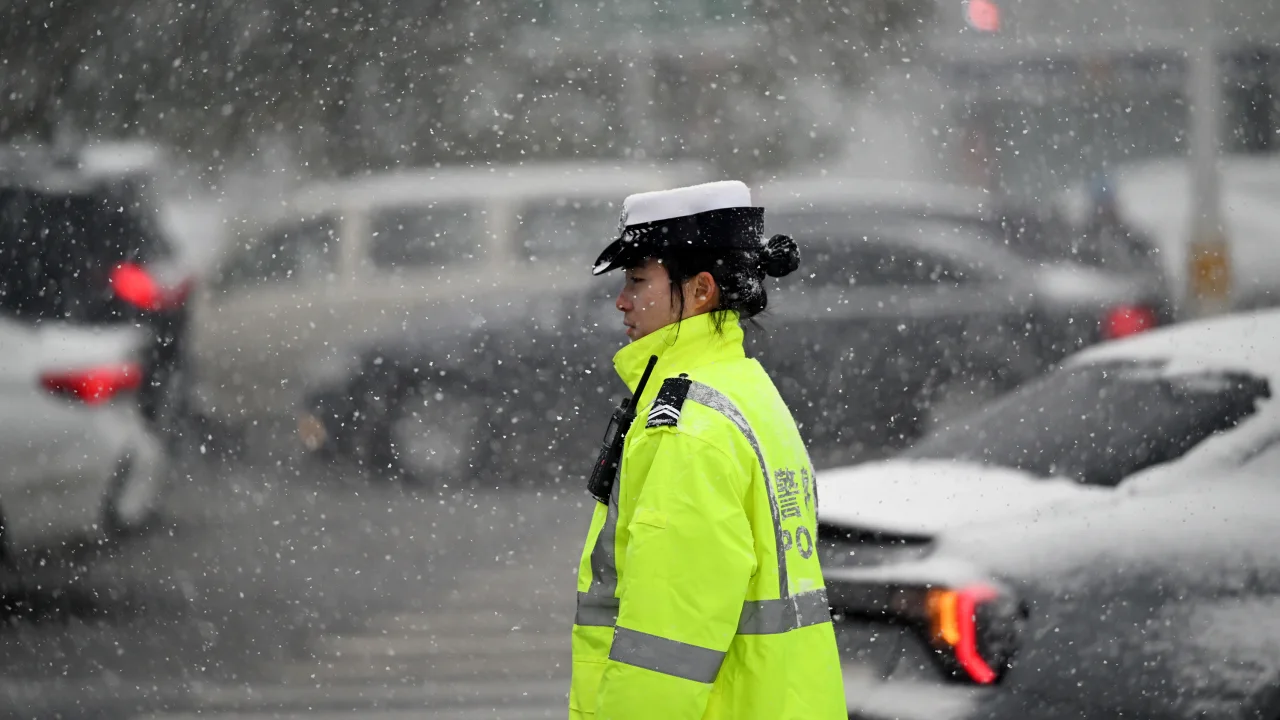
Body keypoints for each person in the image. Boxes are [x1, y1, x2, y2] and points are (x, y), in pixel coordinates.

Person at [569, 180, 846, 719]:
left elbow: (665, 645)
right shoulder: (747, 389)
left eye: (637, 280)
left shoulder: (686, 430)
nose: (622, 300)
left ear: (700, 291)